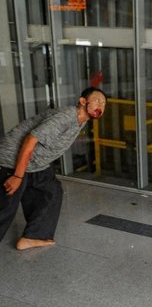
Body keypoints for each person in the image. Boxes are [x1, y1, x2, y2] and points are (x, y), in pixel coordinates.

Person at [0, 86, 107, 250]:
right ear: (83, 101)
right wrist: (18, 176)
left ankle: (32, 237)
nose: (101, 105)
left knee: (51, 191)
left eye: (104, 103)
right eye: (97, 100)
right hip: (10, 161)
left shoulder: (81, 120)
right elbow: (29, 141)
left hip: (36, 165)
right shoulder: (66, 116)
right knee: (6, 207)